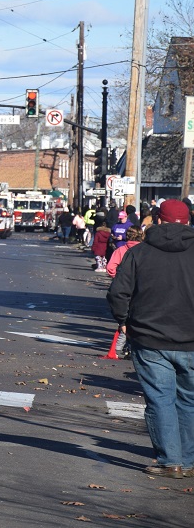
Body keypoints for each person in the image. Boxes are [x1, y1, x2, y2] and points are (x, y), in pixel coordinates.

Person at [107, 198, 194, 479]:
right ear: (189, 220)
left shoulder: (138, 253)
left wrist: (123, 321)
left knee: (160, 400)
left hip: (149, 337)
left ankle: (171, 461)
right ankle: (188, 460)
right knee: (189, 400)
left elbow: (118, 293)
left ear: (157, 219)